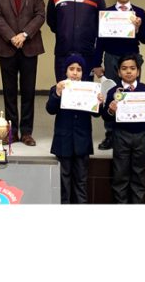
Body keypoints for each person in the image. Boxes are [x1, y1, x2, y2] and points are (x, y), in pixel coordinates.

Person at [0, 0, 45, 147]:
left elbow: (40, 16)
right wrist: (12, 37)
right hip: (7, 47)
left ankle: (27, 133)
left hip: (30, 47)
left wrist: (24, 35)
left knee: (29, 92)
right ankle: (11, 132)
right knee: (9, 92)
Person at [94, 0, 145, 151]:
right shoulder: (107, 12)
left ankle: (130, 131)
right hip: (111, 57)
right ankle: (110, 134)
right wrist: (97, 62)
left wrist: (139, 27)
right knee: (112, 94)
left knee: (131, 94)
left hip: (132, 59)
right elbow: (100, 39)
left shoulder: (139, 13)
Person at [46, 54, 103, 204]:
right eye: (71, 69)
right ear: (65, 71)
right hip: (63, 141)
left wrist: (99, 103)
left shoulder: (90, 90)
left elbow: (96, 114)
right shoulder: (57, 88)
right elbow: (50, 109)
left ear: (83, 73)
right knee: (63, 181)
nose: (75, 72)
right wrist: (57, 93)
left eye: (79, 69)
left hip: (82, 142)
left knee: (81, 181)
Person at [102, 54, 145, 204]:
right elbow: (105, 116)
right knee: (120, 174)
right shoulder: (114, 90)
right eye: (124, 69)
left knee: (139, 173)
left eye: (132, 68)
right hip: (121, 135)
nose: (128, 72)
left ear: (138, 71)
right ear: (118, 72)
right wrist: (111, 110)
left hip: (141, 136)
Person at [46, 0, 106, 81]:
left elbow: (102, 26)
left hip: (87, 54)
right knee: (63, 92)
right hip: (63, 54)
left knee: (85, 94)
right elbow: (52, 23)